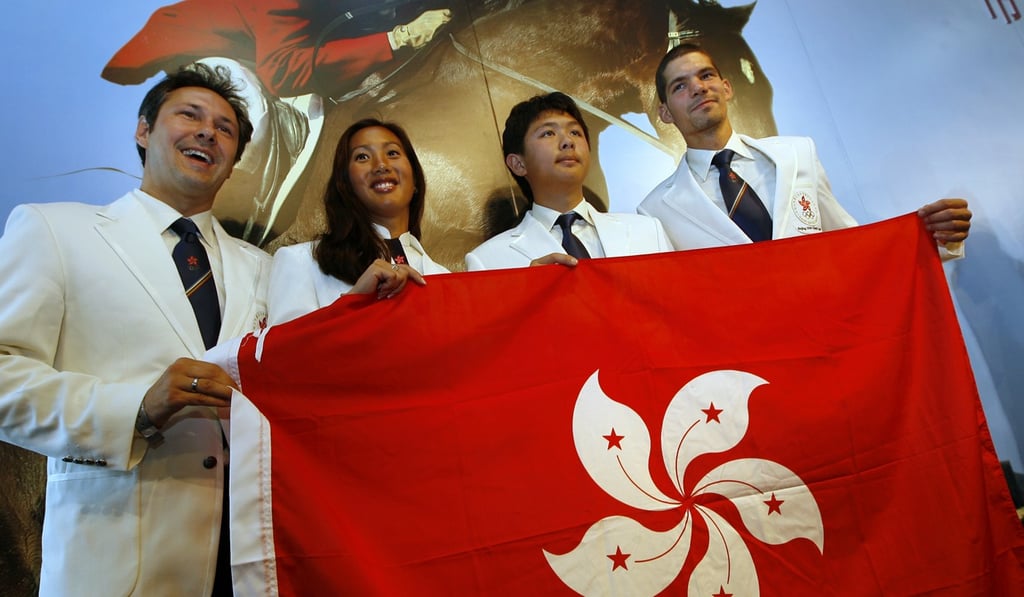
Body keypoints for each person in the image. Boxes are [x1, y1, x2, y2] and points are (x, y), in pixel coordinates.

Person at [0, 63, 271, 595]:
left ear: (233, 162)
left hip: (247, 560)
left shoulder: (265, 267)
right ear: (143, 131)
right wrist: (135, 409)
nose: (206, 132)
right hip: (116, 560)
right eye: (189, 115)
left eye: (224, 129)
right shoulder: (55, 229)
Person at [638, 43, 971, 253]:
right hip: (747, 361)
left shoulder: (797, 155)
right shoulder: (655, 210)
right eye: (680, 85)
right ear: (664, 112)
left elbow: (850, 245)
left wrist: (933, 237)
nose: (698, 88)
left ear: (726, 88)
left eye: (706, 75)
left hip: (830, 338)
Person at [465, 92, 673, 270]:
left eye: (575, 132)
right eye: (548, 133)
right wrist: (526, 295)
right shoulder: (487, 260)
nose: (567, 142)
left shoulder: (647, 231)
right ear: (518, 164)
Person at [267, 118, 444, 325]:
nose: (381, 165)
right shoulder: (301, 262)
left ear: (415, 180)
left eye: (392, 153)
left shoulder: (447, 278)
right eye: (362, 157)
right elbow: (285, 352)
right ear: (345, 185)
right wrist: (354, 300)